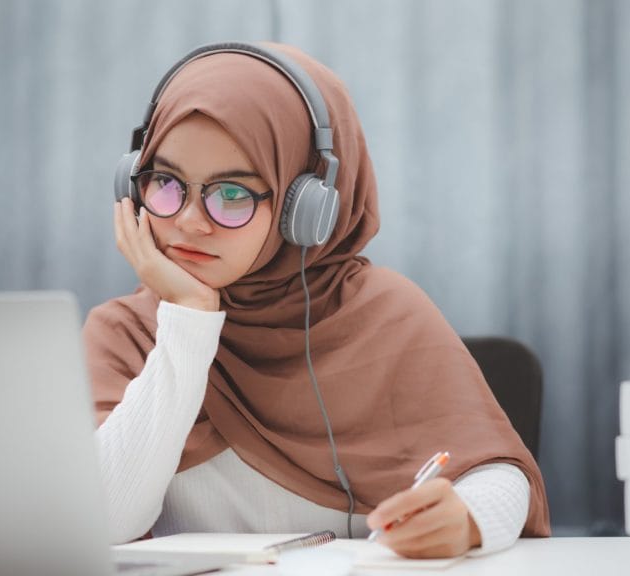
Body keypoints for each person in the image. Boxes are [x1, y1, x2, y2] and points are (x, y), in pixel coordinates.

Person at [84, 42, 550, 559]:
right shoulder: (126, 332)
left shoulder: (383, 314)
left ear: (305, 209)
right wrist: (189, 318)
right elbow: (104, 519)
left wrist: (468, 518)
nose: (190, 220)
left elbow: (502, 477)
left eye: (233, 194)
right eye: (165, 182)